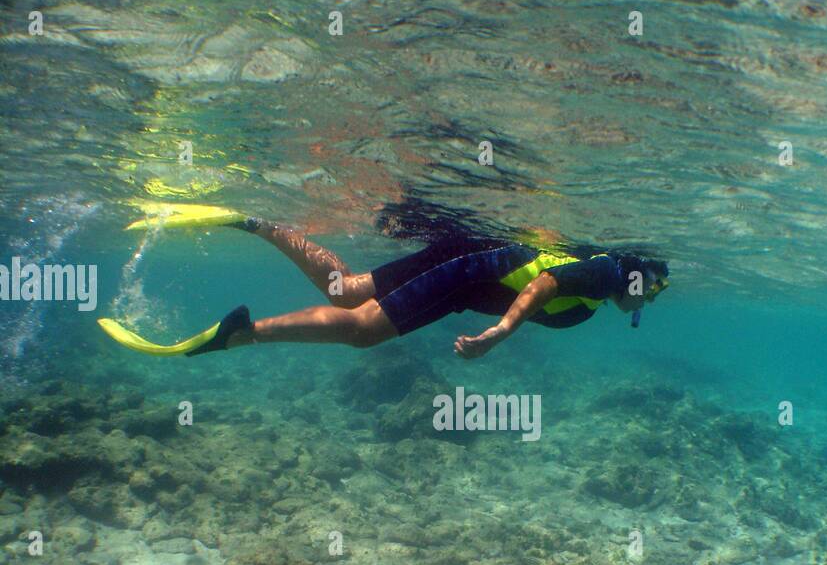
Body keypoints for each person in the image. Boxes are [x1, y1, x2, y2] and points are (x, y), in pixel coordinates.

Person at [97, 205, 669, 358]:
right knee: (362, 329)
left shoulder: (611, 286)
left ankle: (257, 225)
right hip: (471, 269)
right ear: (637, 274)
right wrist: (502, 331)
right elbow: (542, 285)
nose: (650, 299)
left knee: (345, 290)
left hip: (468, 257)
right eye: (653, 288)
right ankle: (240, 334)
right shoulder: (606, 274)